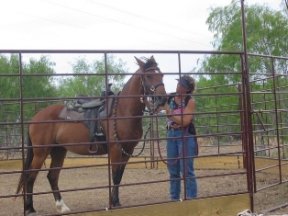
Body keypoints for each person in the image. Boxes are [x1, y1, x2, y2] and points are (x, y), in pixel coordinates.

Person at [163, 75, 198, 201]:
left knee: (186, 169)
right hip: (172, 134)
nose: (178, 86)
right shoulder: (170, 97)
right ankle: (174, 198)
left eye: (182, 85)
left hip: (185, 135)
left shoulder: (190, 101)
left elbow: (185, 122)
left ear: (187, 89)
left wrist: (169, 113)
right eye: (179, 84)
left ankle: (191, 198)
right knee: (173, 169)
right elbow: (156, 104)